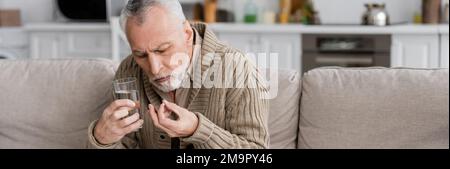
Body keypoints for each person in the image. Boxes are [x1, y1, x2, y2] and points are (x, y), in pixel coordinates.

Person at [87, 0, 269, 149]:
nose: (155, 68)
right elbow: (125, 144)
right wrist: (102, 139)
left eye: (162, 49)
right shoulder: (128, 71)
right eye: (141, 55)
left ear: (187, 34)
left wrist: (197, 129)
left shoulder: (237, 69)